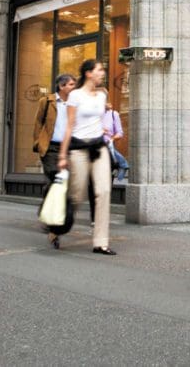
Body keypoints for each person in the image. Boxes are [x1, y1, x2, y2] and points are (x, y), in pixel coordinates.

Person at [58, 59, 115, 255]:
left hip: (99, 147)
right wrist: (63, 155)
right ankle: (57, 225)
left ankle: (101, 242)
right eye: (99, 70)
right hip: (78, 149)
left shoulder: (102, 94)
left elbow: (99, 115)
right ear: (89, 73)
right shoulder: (75, 95)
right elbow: (69, 125)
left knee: (104, 191)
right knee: (76, 194)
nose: (103, 73)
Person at [33, 74, 76, 248]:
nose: (74, 87)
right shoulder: (47, 101)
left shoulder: (75, 103)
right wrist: (38, 143)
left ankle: (49, 213)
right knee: (56, 179)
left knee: (60, 184)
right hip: (50, 148)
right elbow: (38, 123)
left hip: (69, 148)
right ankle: (53, 221)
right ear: (62, 86)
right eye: (71, 84)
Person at [102, 100, 129, 183]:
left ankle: (122, 164)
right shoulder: (90, 114)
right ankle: (122, 163)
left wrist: (112, 139)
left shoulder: (113, 114)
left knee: (108, 147)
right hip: (92, 144)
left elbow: (120, 133)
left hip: (107, 143)